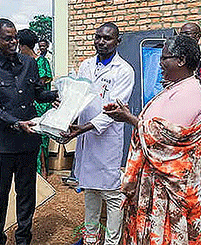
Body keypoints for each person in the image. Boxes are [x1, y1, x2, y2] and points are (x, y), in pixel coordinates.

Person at [104, 35, 201, 245]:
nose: (160, 64)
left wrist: (130, 119)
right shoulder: (176, 88)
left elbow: (165, 140)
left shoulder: (189, 93)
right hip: (156, 183)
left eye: (164, 58)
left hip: (171, 187)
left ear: (180, 61)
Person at [0, 18, 57, 245]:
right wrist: (16, 123)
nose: (13, 42)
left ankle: (23, 238)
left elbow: (38, 93)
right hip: (1, 145)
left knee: (26, 195)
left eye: (15, 37)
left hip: (27, 142)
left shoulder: (29, 63)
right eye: (7, 38)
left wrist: (58, 95)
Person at [62, 22, 135, 245]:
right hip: (85, 137)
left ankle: (112, 242)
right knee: (91, 191)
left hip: (107, 138)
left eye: (107, 38)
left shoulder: (124, 71)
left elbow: (114, 109)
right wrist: (66, 115)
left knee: (112, 194)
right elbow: (77, 97)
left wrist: (83, 128)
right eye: (98, 37)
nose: (101, 42)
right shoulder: (85, 66)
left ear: (117, 41)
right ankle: (90, 238)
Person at [18, 29, 53, 177]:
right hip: (29, 104)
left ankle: (43, 170)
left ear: (23, 46)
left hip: (41, 105)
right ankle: (36, 170)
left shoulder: (41, 61)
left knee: (41, 137)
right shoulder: (23, 62)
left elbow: (41, 83)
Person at [179, 23, 201, 114]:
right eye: (181, 34)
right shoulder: (182, 55)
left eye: (187, 34)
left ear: (197, 36)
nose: (183, 37)